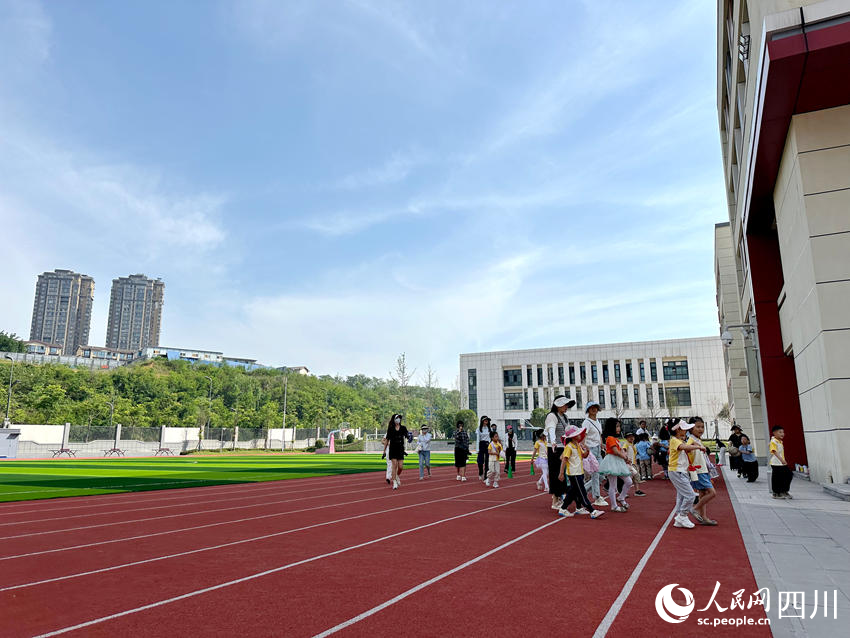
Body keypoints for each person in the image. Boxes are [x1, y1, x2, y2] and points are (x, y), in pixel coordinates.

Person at [557, 424, 604, 519]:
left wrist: (587, 450)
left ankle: (563, 508)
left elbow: (584, 456)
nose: (580, 435)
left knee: (573, 492)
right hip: (573, 473)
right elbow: (564, 460)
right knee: (582, 492)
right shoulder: (569, 447)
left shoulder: (577, 445)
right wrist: (561, 473)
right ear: (573, 436)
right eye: (578, 434)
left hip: (579, 472)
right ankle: (592, 510)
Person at [667, 419, 704, 528]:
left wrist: (694, 443)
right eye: (684, 429)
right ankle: (682, 515)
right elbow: (685, 447)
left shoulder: (679, 440)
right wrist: (698, 447)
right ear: (678, 430)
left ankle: (679, 516)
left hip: (681, 471)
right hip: (677, 471)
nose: (686, 431)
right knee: (690, 495)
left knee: (682, 495)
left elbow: (686, 447)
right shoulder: (674, 440)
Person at [545, 396, 575, 509]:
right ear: (558, 405)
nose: (566, 407)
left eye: (567, 405)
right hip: (555, 448)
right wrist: (553, 442)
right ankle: (555, 499)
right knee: (555, 473)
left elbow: (568, 432)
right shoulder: (552, 416)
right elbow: (551, 429)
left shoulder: (565, 417)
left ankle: (561, 496)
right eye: (565, 404)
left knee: (564, 473)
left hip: (564, 447)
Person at [599, 418, 632, 512]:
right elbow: (615, 451)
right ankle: (614, 505)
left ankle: (621, 498)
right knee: (613, 485)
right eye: (617, 426)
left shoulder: (616, 439)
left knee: (629, 481)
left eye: (619, 426)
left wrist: (626, 458)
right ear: (611, 427)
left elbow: (620, 451)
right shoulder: (610, 438)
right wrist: (624, 457)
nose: (619, 428)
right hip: (612, 462)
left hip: (618, 462)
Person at [687, 417, 717, 525]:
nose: (701, 429)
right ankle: (694, 508)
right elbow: (687, 450)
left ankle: (704, 517)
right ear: (691, 428)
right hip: (698, 470)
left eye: (702, 427)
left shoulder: (698, 440)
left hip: (703, 470)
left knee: (703, 494)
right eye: (698, 427)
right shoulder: (691, 440)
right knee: (712, 493)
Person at [582, 400, 607, 507]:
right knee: (595, 474)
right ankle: (597, 497)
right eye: (591, 408)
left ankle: (582, 490)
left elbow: (599, 435)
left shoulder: (598, 421)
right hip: (590, 449)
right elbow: (583, 436)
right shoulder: (586, 422)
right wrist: (584, 447)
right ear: (588, 410)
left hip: (598, 449)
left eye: (595, 407)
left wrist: (602, 444)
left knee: (602, 473)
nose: (594, 409)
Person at [381, 413, 408, 490]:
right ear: (394, 420)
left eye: (399, 418)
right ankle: (394, 482)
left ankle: (397, 475)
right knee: (394, 465)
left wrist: (409, 437)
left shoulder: (403, 428)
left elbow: (407, 435)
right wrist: (384, 451)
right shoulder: (390, 429)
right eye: (396, 418)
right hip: (393, 449)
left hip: (400, 449)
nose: (398, 419)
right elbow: (386, 440)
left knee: (400, 467)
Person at [769, 425, 792, 499]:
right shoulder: (773, 441)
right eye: (780, 432)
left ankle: (784, 491)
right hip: (776, 463)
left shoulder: (780, 441)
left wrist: (783, 460)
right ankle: (776, 493)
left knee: (788, 475)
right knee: (777, 478)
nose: (782, 434)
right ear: (774, 433)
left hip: (781, 463)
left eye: (783, 432)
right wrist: (782, 460)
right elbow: (774, 451)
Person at [623, 431, 646, 496]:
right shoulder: (626, 444)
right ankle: (623, 492)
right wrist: (626, 459)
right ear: (626, 438)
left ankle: (637, 490)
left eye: (632, 437)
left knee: (636, 477)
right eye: (629, 437)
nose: (631, 438)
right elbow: (623, 450)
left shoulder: (632, 444)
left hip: (633, 463)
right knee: (628, 479)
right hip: (628, 464)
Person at [477, 416, 494, 481]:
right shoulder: (479, 429)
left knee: (487, 461)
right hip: (481, 444)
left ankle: (486, 476)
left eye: (487, 420)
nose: (486, 421)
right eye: (485, 420)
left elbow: (491, 439)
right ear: (482, 421)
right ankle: (480, 472)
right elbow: (478, 439)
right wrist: (477, 449)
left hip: (488, 444)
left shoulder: (490, 429)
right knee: (480, 461)